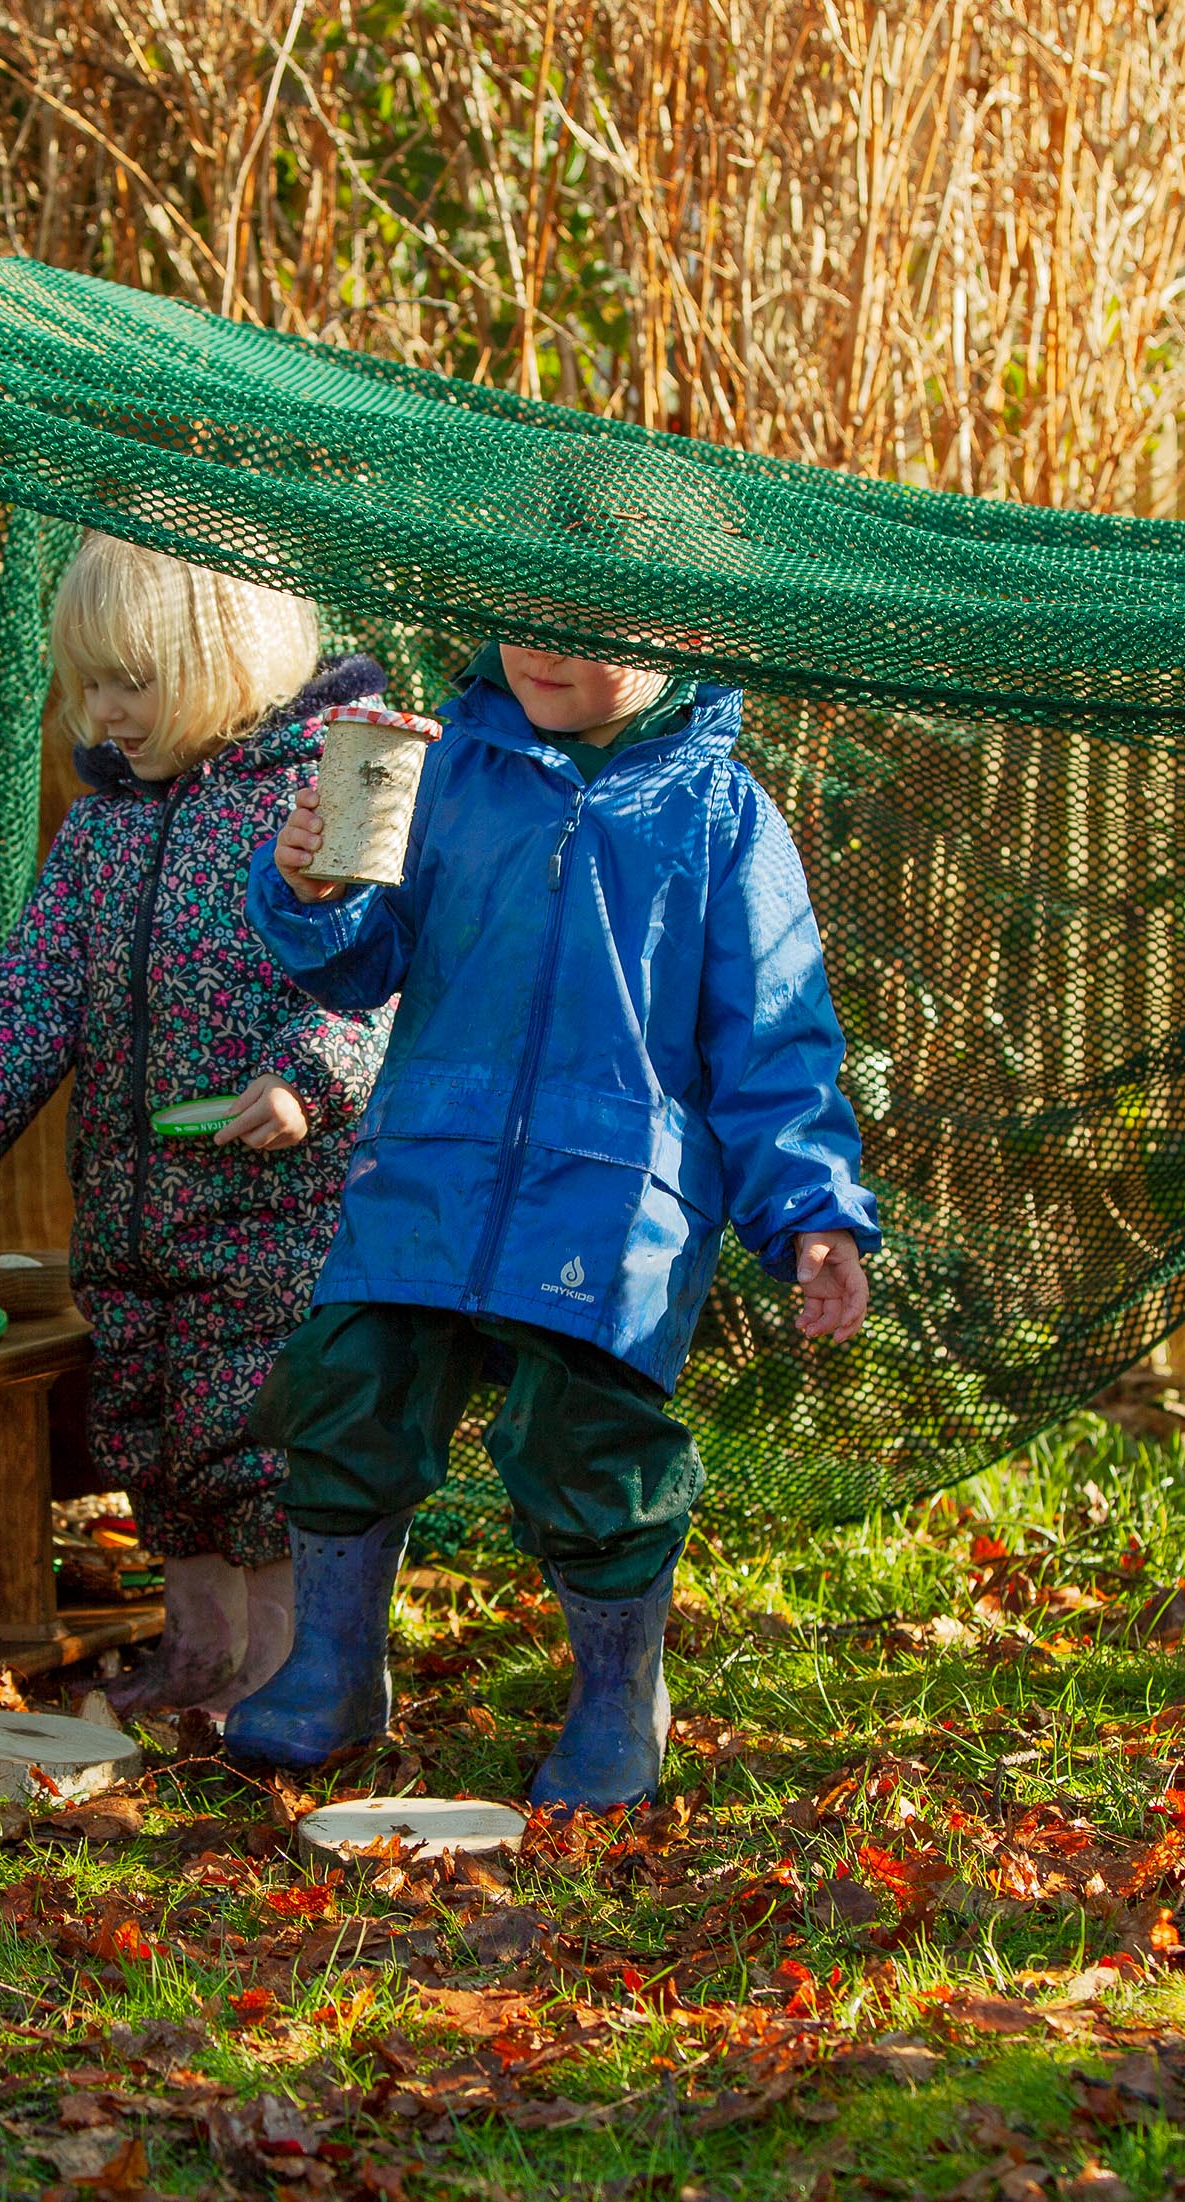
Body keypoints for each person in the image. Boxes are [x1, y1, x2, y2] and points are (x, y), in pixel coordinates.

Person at [228, 640, 879, 1812]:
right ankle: (331, 1669)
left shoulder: (720, 810)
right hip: (429, 1169)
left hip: (612, 1200)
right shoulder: (447, 769)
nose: (541, 656)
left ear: (672, 637)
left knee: (589, 1446)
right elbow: (359, 965)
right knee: (347, 1387)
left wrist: (813, 1208)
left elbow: (773, 1034)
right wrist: (310, 892)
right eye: (524, 621)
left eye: (585, 633)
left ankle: (619, 1698)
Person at [0, 534, 388, 1717]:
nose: (103, 713)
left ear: (226, 661)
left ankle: (287, 1669)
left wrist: (307, 1076)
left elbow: (375, 969)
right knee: (154, 1439)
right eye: (89, 683)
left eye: (132, 682)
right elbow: (37, 982)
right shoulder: (109, 826)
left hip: (272, 1210)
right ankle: (201, 1655)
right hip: (135, 1212)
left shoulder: (327, 788)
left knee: (260, 1438)